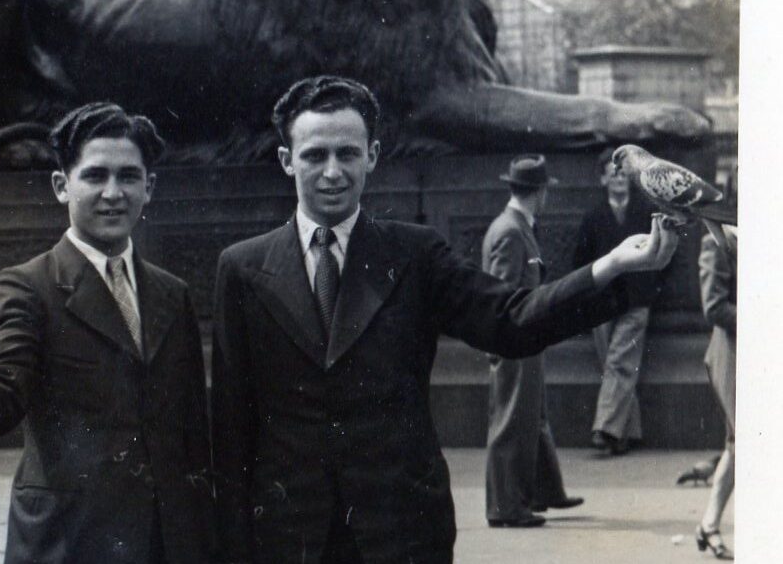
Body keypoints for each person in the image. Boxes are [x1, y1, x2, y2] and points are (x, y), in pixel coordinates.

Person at [211, 75, 678, 564]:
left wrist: (614, 265)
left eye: (347, 154)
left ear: (372, 155)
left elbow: (511, 320)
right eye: (314, 156)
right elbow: (231, 431)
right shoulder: (242, 268)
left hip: (402, 534)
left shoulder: (415, 254)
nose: (332, 172)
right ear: (287, 161)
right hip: (289, 540)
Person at [0, 103, 212, 564]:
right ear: (61, 186)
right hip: (70, 541)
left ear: (149, 188)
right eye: (95, 176)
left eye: (129, 177)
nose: (113, 193)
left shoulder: (173, 293)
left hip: (167, 542)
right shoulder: (28, 286)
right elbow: (1, 401)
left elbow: (192, 432)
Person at [483, 155, 583, 528]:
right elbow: (502, 294)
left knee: (532, 415)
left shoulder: (516, 226)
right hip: (515, 338)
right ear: (539, 192)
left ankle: (545, 490)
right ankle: (505, 507)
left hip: (526, 337)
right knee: (512, 419)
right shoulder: (511, 231)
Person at [572, 149, 662, 456]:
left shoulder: (645, 213)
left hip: (636, 300)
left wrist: (651, 287)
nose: (619, 179)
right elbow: (580, 261)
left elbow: (664, 254)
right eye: (613, 174)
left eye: (623, 174)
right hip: (602, 303)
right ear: (603, 179)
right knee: (619, 366)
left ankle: (606, 429)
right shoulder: (593, 217)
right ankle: (628, 434)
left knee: (618, 362)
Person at [695, 227, 737, 560]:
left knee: (737, 445)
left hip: (757, 353)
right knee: (743, 442)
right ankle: (709, 525)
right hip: (732, 354)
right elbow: (714, 307)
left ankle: (708, 525)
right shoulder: (719, 241)